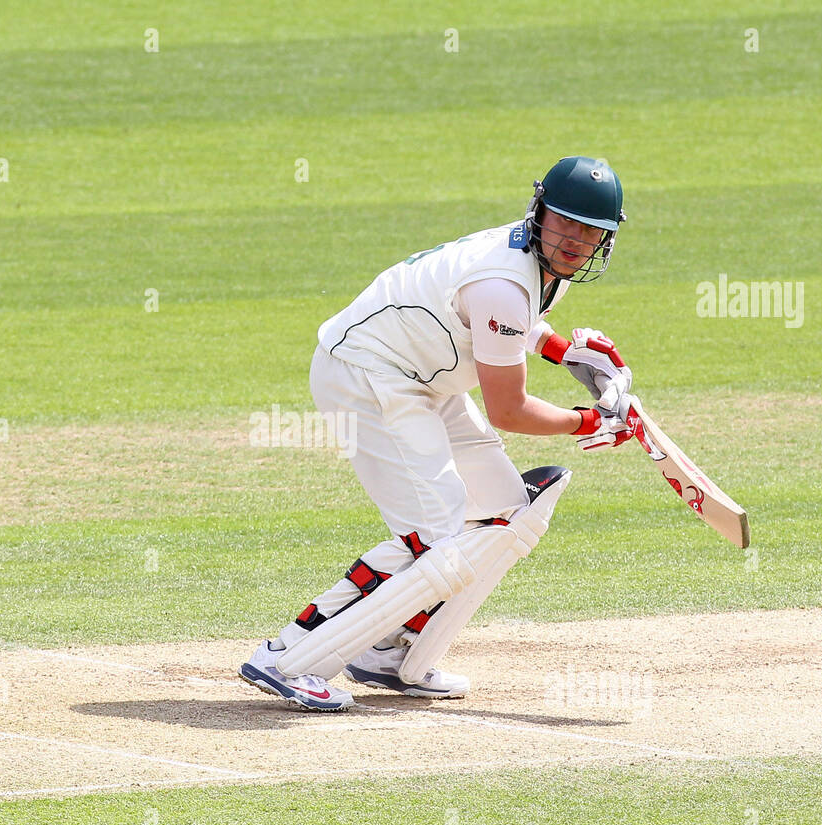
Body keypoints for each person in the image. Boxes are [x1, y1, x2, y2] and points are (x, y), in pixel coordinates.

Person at [240, 156, 636, 711]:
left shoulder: (538, 265)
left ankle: (389, 648)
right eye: (564, 222)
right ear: (540, 213)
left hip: (424, 377)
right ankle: (289, 656)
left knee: (505, 511)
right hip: (366, 372)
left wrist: (562, 350)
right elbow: (509, 410)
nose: (574, 239)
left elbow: (509, 324)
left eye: (590, 230)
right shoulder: (504, 283)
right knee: (434, 531)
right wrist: (588, 420)